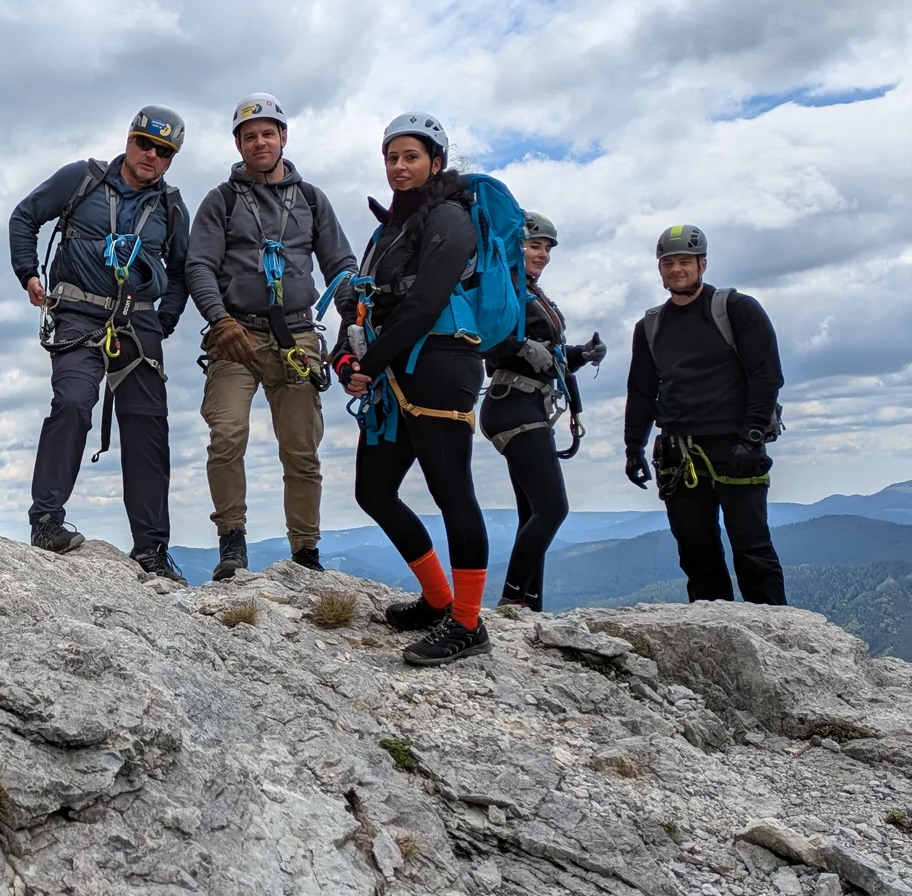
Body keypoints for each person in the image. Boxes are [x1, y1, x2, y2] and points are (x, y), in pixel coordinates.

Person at [328, 113, 490, 666]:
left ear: (436, 163)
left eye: (411, 157)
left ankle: (468, 623)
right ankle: (439, 600)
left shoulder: (450, 218)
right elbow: (366, 303)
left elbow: (424, 305)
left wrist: (367, 364)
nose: (399, 167)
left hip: (442, 363)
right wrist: (346, 355)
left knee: (452, 493)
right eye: (392, 158)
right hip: (394, 367)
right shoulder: (389, 230)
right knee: (373, 491)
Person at [9, 107, 191, 582]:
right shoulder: (81, 180)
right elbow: (25, 216)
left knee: (148, 429)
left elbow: (183, 272)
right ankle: (46, 522)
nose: (151, 155)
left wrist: (164, 321)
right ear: (129, 141)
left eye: (164, 151)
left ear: (171, 159)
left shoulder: (172, 208)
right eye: (144, 144)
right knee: (72, 402)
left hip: (140, 325)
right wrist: (28, 273)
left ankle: (151, 549)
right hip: (78, 313)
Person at [186, 94, 355, 580]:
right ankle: (232, 542)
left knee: (301, 448)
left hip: (297, 334)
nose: (259, 141)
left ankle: (306, 551)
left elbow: (341, 265)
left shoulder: (311, 200)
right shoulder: (221, 200)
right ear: (238, 144)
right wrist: (220, 321)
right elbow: (198, 265)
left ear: (283, 137)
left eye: (268, 132)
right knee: (227, 436)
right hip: (235, 334)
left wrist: (354, 318)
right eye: (249, 135)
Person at [624, 225, 787, 604]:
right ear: (659, 269)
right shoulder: (649, 327)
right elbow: (642, 391)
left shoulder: (736, 309)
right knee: (696, 553)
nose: (676, 269)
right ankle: (716, 634)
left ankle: (776, 638)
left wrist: (752, 434)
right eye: (668, 263)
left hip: (736, 445)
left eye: (684, 262)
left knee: (752, 548)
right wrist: (634, 446)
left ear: (703, 264)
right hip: (679, 453)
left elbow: (767, 375)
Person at [478, 213, 606, 611]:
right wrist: (517, 350)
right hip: (515, 404)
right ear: (514, 246)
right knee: (553, 508)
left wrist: (580, 354)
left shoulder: (529, 292)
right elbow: (487, 334)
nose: (543, 254)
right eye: (535, 245)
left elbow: (547, 357)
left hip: (523, 404)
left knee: (534, 511)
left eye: (547, 248)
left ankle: (531, 605)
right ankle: (512, 599)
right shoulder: (502, 287)